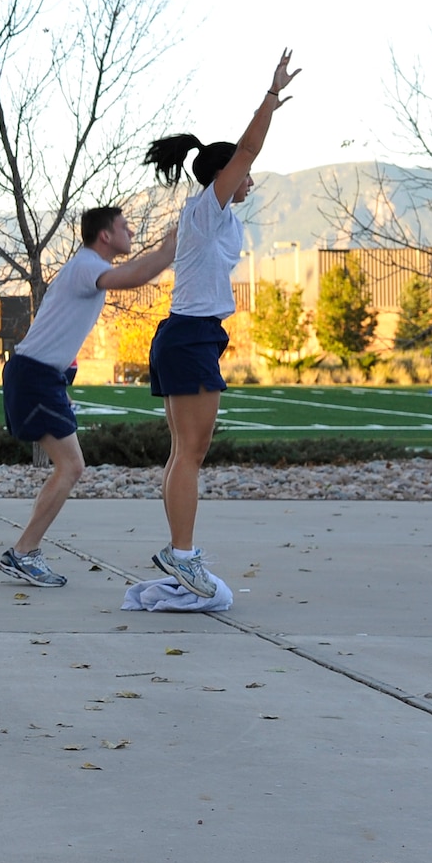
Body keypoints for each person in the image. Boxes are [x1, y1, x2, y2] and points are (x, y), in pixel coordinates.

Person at [144, 50, 300, 598]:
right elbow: (250, 145)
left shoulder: (216, 217)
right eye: (243, 172)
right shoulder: (207, 207)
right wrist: (272, 96)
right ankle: (182, 555)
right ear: (222, 175)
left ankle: (179, 552)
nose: (251, 178)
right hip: (188, 336)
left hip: (191, 336)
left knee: (182, 452)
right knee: (191, 452)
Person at [0, 207, 177, 586]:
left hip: (41, 377)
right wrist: (167, 250)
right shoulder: (87, 266)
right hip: (33, 376)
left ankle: (25, 551)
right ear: (105, 236)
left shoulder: (85, 267)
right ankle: (24, 552)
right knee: (72, 466)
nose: (130, 231)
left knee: (69, 466)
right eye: (124, 227)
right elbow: (132, 277)